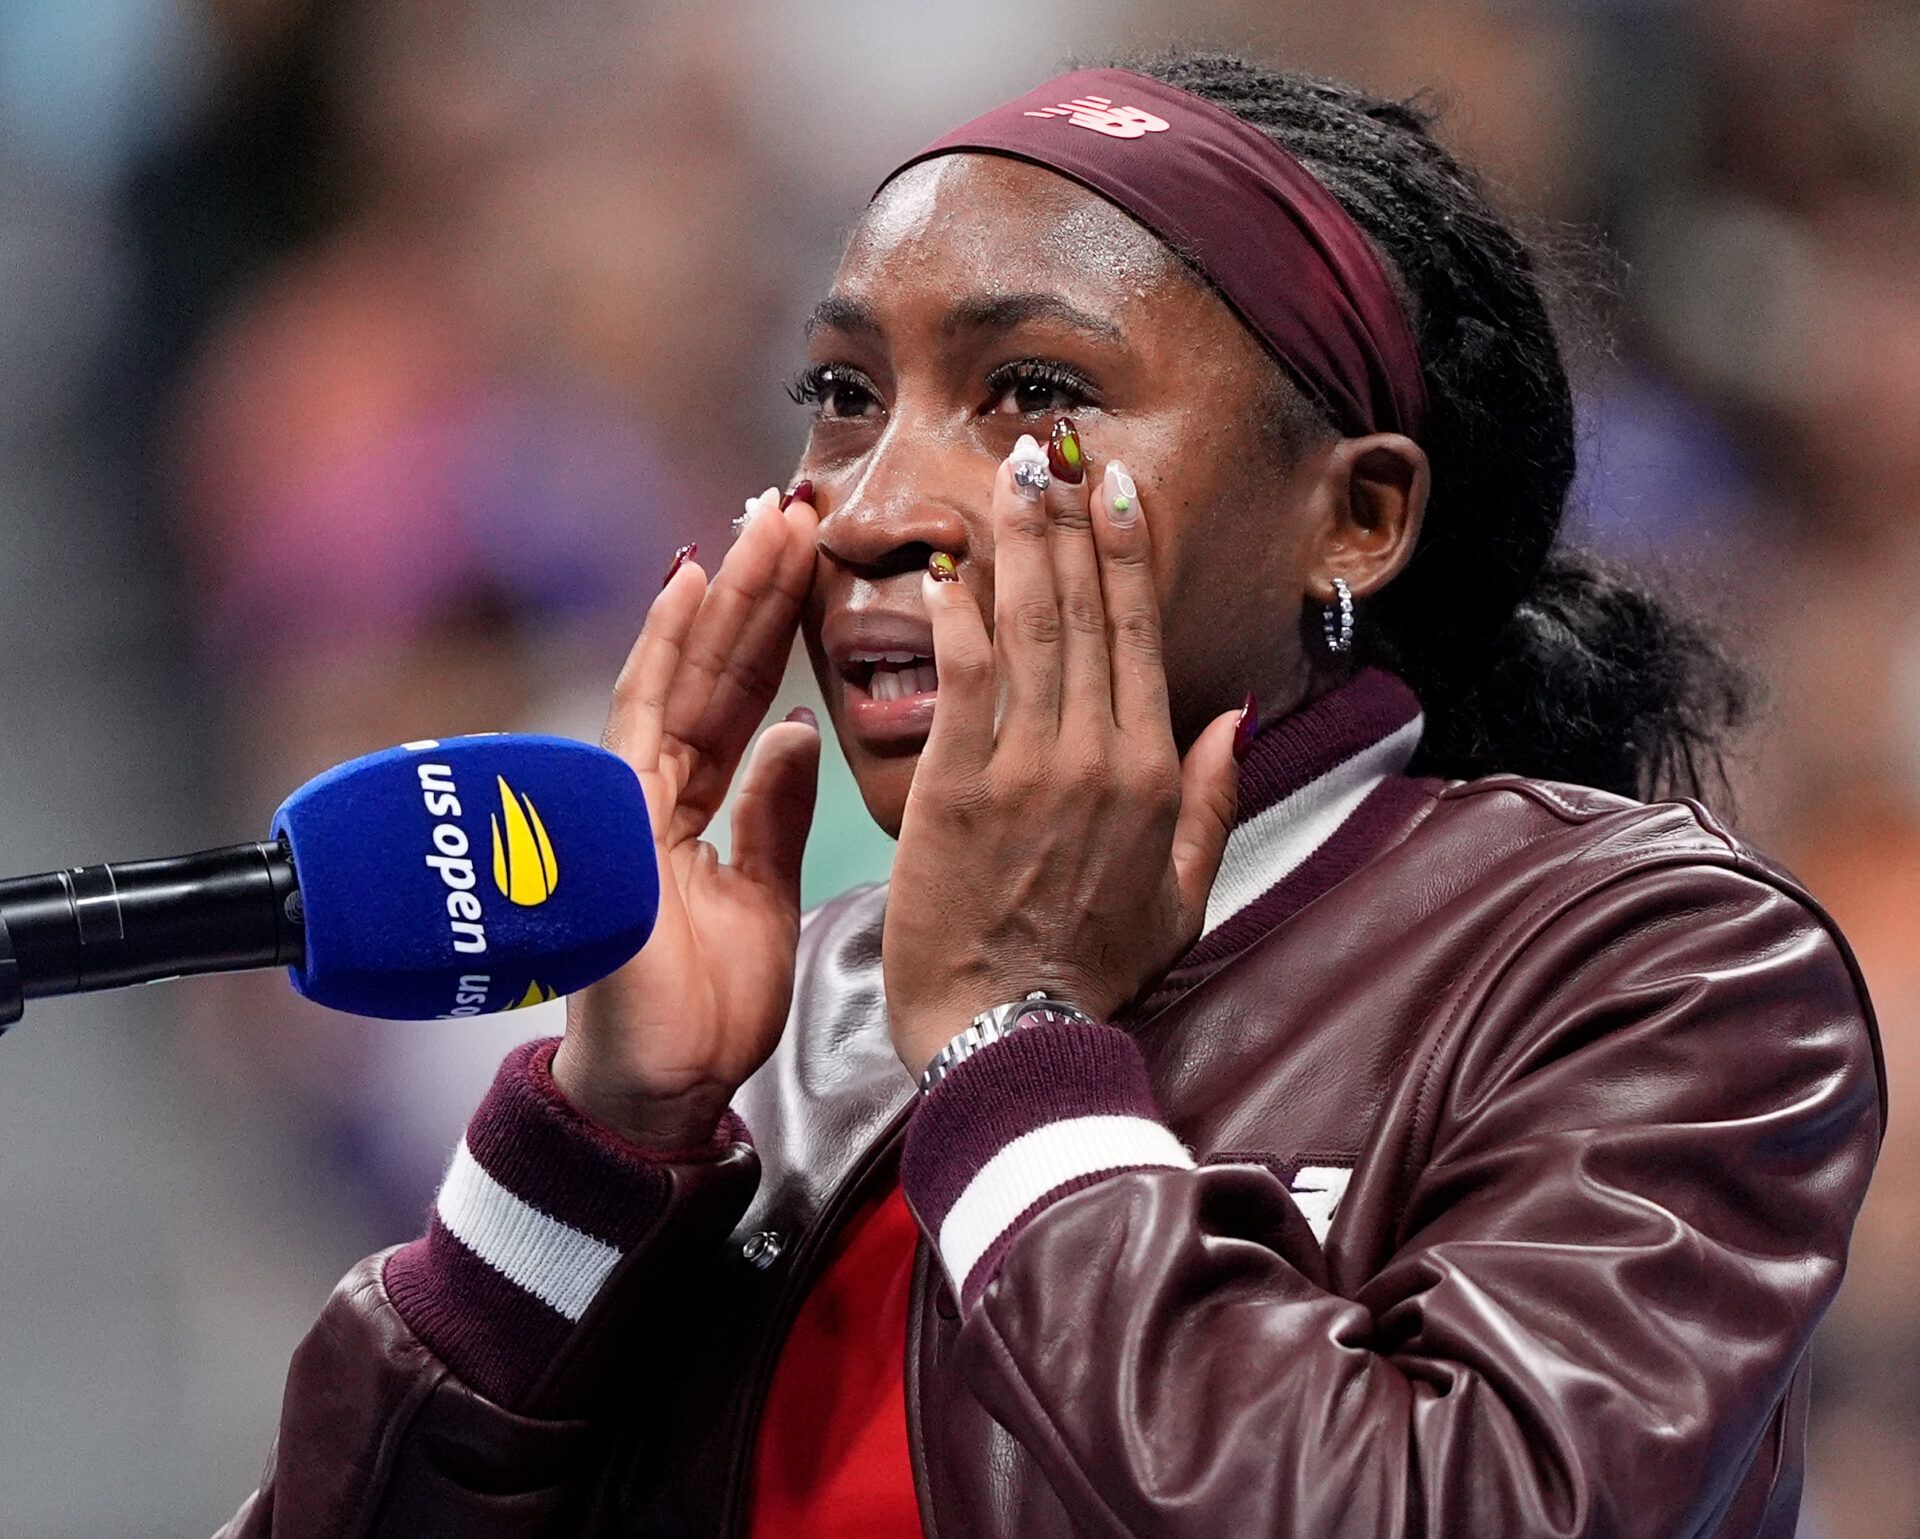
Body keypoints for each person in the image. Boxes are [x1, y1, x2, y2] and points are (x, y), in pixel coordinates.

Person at [220, 52, 1884, 1538]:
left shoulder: (1645, 966)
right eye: (842, 396)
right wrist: (591, 1145)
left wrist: (1019, 1062)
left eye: (1036, 393)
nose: (872, 508)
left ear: (1356, 516)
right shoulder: (792, 1035)